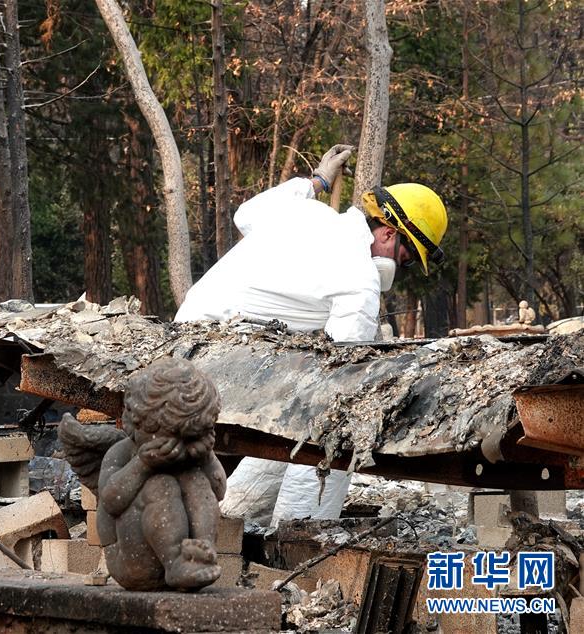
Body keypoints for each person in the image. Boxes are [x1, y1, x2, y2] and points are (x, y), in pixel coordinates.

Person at [175, 144, 449, 528]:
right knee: (339, 428)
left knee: (297, 416)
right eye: (404, 259)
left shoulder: (307, 211)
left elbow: (245, 213)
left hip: (183, 344)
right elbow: (340, 379)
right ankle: (299, 537)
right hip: (221, 368)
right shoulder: (360, 277)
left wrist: (317, 180)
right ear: (388, 233)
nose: (398, 269)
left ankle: (230, 521)